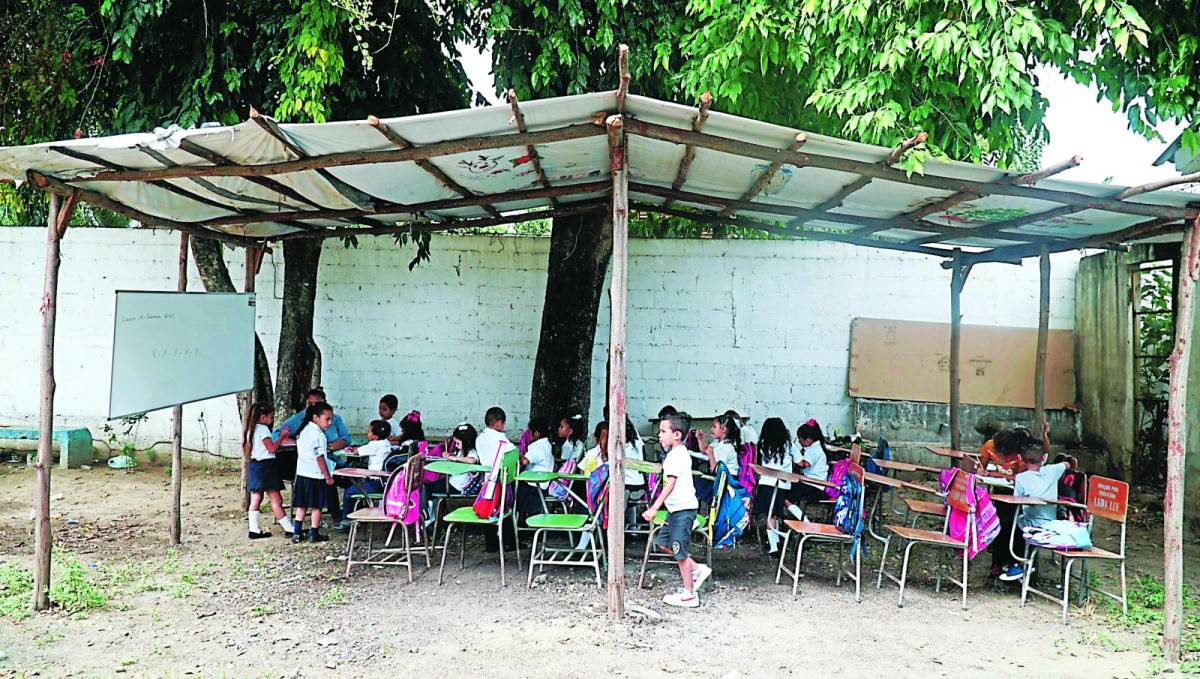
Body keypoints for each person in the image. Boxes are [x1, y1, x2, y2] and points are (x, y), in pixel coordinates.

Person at [642, 413, 711, 608]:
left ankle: (689, 594)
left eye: (664, 431)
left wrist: (654, 508)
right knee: (663, 542)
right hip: (676, 510)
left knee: (679, 549)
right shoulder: (677, 454)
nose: (659, 435)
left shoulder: (676, 456)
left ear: (677, 435)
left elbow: (670, 484)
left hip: (683, 510)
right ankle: (696, 569)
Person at [274, 388, 352, 524]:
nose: (313, 407)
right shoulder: (302, 421)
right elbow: (277, 434)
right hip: (313, 467)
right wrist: (299, 443)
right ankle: (335, 517)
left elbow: (346, 438)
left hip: (332, 460)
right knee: (328, 481)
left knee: (351, 480)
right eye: (310, 404)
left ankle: (350, 513)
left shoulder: (333, 420)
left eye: (317, 404)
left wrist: (331, 447)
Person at [998, 440, 1072, 582]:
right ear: (1044, 457)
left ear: (1020, 458)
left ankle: (1018, 563)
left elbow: (1017, 500)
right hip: (1051, 522)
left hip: (1031, 523)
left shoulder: (1021, 478)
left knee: (1010, 522)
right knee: (1016, 523)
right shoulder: (1053, 470)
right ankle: (1020, 563)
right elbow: (1067, 464)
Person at [245, 403, 295, 539]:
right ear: (263, 417)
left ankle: (253, 529)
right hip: (267, 466)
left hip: (255, 464)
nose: (272, 420)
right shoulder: (263, 430)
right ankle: (289, 528)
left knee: (256, 497)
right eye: (271, 418)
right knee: (276, 499)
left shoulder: (250, 429)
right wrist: (282, 437)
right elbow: (271, 449)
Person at [752, 417, 800, 555]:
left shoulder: (762, 444)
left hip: (766, 483)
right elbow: (799, 461)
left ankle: (774, 543)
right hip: (783, 484)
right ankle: (775, 545)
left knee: (770, 514)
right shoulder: (789, 445)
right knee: (775, 514)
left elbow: (759, 463)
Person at [291, 402, 336, 544]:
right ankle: (314, 533)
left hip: (303, 473)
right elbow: (320, 458)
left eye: (331, 419)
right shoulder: (318, 435)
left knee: (301, 505)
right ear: (316, 417)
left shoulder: (303, 430)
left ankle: (297, 532)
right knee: (317, 506)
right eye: (327, 419)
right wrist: (328, 477)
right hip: (316, 475)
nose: (330, 422)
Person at [335, 420, 391, 525]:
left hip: (375, 482)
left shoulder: (375, 444)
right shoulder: (386, 443)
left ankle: (346, 520)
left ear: (375, 436)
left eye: (369, 431)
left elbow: (357, 452)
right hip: (384, 482)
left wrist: (352, 449)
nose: (367, 433)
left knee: (349, 492)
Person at [476, 406, 517, 552]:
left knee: (488, 509)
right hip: (502, 480)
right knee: (504, 509)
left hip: (487, 481)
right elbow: (513, 454)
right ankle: (508, 542)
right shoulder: (501, 439)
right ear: (499, 423)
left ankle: (491, 544)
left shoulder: (479, 438)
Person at [517, 417, 556, 517]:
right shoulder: (547, 444)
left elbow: (525, 461)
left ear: (537, 433)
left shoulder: (537, 446)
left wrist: (518, 455)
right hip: (543, 484)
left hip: (533, 486)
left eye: (530, 432)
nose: (528, 434)